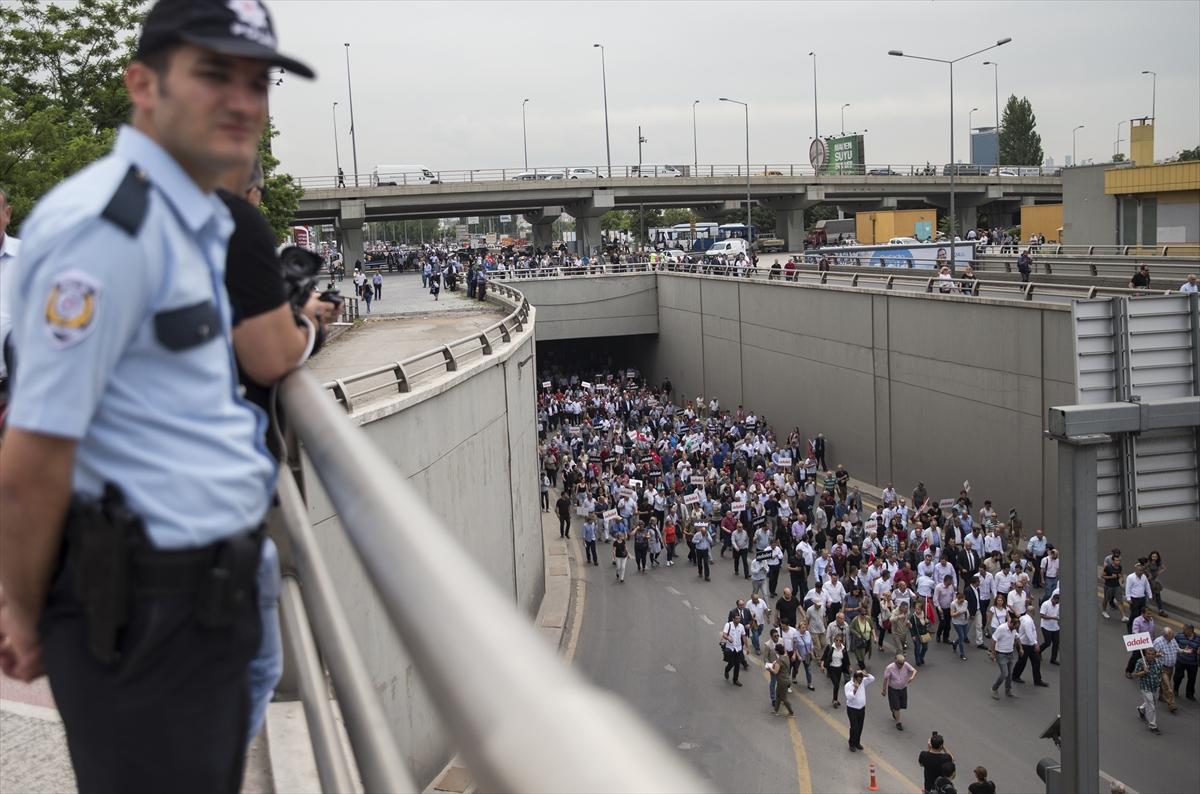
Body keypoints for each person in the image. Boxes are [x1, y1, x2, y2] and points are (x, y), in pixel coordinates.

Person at [0, 1, 312, 790]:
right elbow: (35, 451)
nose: (244, 101)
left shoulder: (190, 220)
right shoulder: (110, 229)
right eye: (214, 74)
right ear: (142, 83)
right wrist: (24, 609)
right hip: (144, 616)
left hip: (200, 600)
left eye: (258, 81)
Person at [881, 653, 917, 731]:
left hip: (903, 688)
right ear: (896, 662)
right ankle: (898, 722)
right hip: (893, 689)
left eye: (903, 663)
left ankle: (894, 710)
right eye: (900, 664)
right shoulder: (890, 668)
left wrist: (912, 677)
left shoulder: (906, 665)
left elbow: (914, 670)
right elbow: (885, 679)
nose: (901, 665)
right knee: (897, 706)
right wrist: (884, 690)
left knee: (902, 705)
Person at [1131, 647, 1163, 734]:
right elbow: (1134, 675)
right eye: (1148, 654)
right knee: (1151, 706)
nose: (1150, 656)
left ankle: (1141, 709)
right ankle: (1153, 725)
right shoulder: (1140, 662)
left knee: (1151, 702)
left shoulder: (1159, 662)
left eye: (1152, 654)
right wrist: (1143, 672)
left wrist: (1160, 681)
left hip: (1155, 687)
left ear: (1155, 654)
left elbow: (1160, 673)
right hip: (1145, 687)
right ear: (1145, 654)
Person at [990, 613, 1022, 698]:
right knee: (1004, 674)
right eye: (1015, 627)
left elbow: (1017, 637)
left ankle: (1008, 690)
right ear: (1011, 624)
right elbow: (993, 640)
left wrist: (1021, 648)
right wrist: (993, 653)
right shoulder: (1001, 628)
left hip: (1010, 654)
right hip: (1001, 654)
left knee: (1010, 673)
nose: (1015, 629)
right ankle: (994, 689)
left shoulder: (1014, 629)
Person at [843, 669, 875, 752]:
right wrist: (855, 689)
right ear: (854, 678)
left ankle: (857, 742)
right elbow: (849, 698)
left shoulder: (863, 682)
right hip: (852, 709)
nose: (860, 682)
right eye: (859, 680)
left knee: (860, 727)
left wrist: (866, 674)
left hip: (861, 709)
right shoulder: (848, 685)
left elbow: (872, 678)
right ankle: (851, 743)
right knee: (854, 727)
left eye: (861, 679)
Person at [820, 633, 851, 707]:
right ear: (834, 640)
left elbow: (846, 659)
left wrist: (849, 667)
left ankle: (835, 699)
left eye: (840, 640)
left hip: (839, 669)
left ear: (842, 642)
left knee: (836, 685)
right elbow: (824, 657)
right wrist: (822, 666)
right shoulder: (830, 647)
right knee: (836, 684)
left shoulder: (843, 649)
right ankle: (835, 700)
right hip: (831, 669)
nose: (838, 642)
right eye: (836, 640)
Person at [769, 642, 795, 717]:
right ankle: (776, 710)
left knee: (784, 698)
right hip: (786, 679)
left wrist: (770, 669)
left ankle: (791, 712)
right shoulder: (786, 656)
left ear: (777, 651)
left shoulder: (779, 660)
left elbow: (775, 672)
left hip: (782, 681)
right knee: (778, 695)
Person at [721, 612, 747, 686]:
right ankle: (726, 670)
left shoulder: (741, 626)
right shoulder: (728, 625)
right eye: (737, 618)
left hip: (738, 648)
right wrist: (728, 638)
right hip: (730, 648)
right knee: (731, 663)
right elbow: (724, 634)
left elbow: (744, 636)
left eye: (739, 618)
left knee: (737, 664)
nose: (738, 620)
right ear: (733, 619)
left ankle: (735, 680)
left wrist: (746, 647)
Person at [1173, 623, 1198, 701]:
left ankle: (1190, 694)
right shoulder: (1179, 636)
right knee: (1178, 676)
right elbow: (1174, 644)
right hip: (1181, 661)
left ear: (1191, 630)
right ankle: (1175, 690)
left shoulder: (1198, 639)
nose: (1183, 631)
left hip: (1193, 663)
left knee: (1192, 679)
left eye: (1185, 629)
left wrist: (1196, 650)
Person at [1038, 592, 1061, 665]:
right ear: (1053, 599)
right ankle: (1038, 651)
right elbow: (1042, 615)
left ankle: (1053, 659)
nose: (1056, 604)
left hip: (1055, 627)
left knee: (1056, 643)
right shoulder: (1045, 604)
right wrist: (1052, 617)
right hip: (1046, 626)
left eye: (1058, 602)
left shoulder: (1058, 605)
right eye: (1056, 602)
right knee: (1047, 642)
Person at [1145, 550, 1167, 616]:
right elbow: (1145, 569)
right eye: (1153, 556)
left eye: (1155, 556)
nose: (1154, 557)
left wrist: (1158, 572)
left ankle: (1161, 610)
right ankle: (1145, 608)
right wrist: (1148, 574)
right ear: (1151, 556)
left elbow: (1164, 568)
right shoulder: (1148, 563)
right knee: (1148, 595)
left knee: (1157, 595)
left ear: (1157, 557)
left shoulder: (1158, 563)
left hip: (1154, 580)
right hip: (1148, 580)